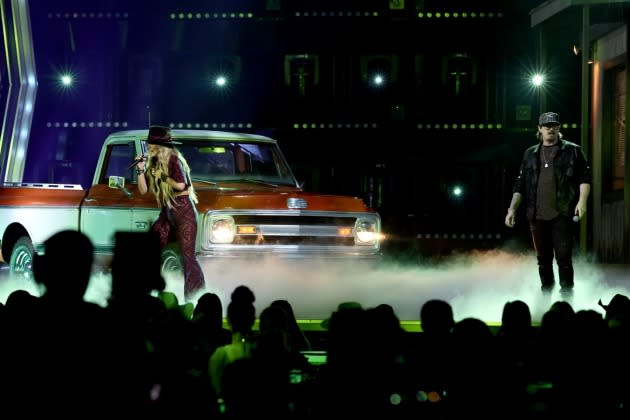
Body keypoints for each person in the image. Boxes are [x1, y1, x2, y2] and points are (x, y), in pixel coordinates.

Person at [504, 112, 591, 294]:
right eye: (546, 126)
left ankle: (567, 297)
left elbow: (585, 177)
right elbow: (520, 184)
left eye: (554, 125)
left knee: (563, 258)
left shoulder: (573, 150)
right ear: (540, 129)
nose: (550, 128)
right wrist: (512, 209)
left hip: (562, 212)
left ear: (559, 128)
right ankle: (546, 295)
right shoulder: (530, 154)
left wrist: (582, 202)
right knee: (543, 259)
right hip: (536, 215)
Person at [136, 125, 205, 300]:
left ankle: (195, 298)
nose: (149, 147)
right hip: (167, 213)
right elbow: (143, 190)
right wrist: (140, 169)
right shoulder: (154, 162)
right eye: (149, 144)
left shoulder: (174, 159)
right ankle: (145, 294)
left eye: (152, 144)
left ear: (161, 146)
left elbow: (182, 186)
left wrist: (163, 176)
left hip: (184, 211)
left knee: (188, 258)